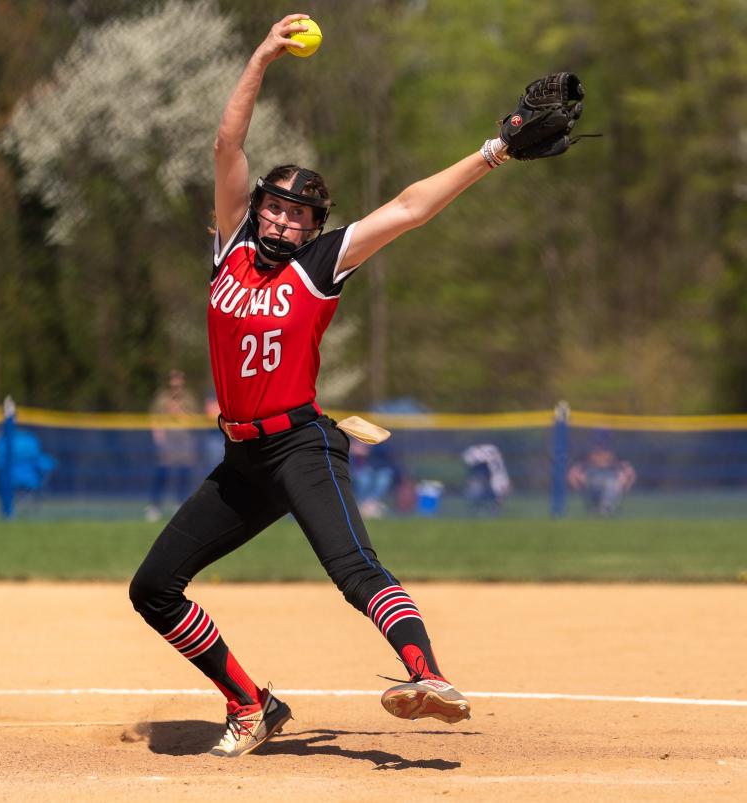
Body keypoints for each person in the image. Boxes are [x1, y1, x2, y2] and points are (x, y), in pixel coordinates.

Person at [129, 13, 581, 757]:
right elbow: (226, 144)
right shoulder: (230, 251)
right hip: (242, 460)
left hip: (302, 447)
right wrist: (263, 57)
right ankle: (252, 704)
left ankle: (427, 674)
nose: (280, 217)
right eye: (273, 204)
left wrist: (493, 152)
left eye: (297, 213)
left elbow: (409, 207)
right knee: (154, 587)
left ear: (313, 228)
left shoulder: (320, 263)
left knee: (354, 568)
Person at [146, 369, 200, 521]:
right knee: (162, 472)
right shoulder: (162, 397)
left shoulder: (189, 398)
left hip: (185, 438)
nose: (176, 383)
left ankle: (180, 504)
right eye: (173, 379)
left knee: (184, 472)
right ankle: (155, 506)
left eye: (179, 379)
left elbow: (197, 418)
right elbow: (154, 417)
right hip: (167, 438)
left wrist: (181, 412)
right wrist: (158, 434)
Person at [567, 440, 636, 516]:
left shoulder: (616, 461)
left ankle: (605, 507)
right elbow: (573, 474)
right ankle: (597, 507)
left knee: (614, 481)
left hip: (609, 484)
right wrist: (579, 488)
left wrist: (626, 487)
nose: (601, 454)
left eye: (604, 450)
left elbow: (630, 474)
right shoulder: (587, 460)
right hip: (593, 484)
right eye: (598, 450)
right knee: (594, 484)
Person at [462, 443, 511, 515]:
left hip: (494, 476)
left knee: (495, 493)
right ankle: (481, 508)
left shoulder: (486, 453)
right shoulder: (489, 451)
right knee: (481, 491)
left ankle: (486, 509)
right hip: (494, 475)